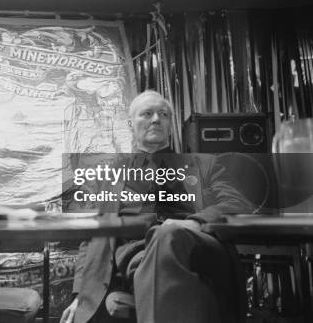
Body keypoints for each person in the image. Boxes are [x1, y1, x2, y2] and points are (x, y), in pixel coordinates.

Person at [61, 90, 251, 323]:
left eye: (163, 114)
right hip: (133, 258)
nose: (155, 119)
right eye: (147, 113)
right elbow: (92, 237)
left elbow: (237, 203)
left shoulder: (205, 164)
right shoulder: (111, 176)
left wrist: (194, 222)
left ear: (170, 123)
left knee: (167, 235)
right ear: (131, 123)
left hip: (194, 248)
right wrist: (79, 295)